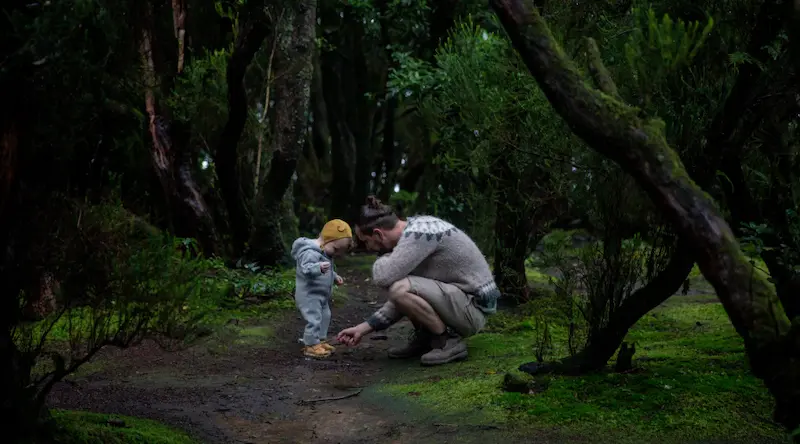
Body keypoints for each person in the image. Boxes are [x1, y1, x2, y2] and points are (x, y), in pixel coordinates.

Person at [337, 196, 500, 365]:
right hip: (460, 303)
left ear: (378, 234)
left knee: (399, 287)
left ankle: (447, 342)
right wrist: (362, 329)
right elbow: (403, 299)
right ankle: (426, 339)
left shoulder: (421, 232)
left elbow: (383, 277)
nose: (368, 248)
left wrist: (384, 255)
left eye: (366, 242)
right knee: (402, 288)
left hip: (472, 309)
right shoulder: (413, 236)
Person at [291, 219, 353, 359]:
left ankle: (320, 340)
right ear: (326, 239)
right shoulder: (309, 252)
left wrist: (335, 277)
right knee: (314, 319)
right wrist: (317, 268)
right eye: (336, 249)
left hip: (321, 295)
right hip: (309, 295)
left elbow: (328, 270)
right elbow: (305, 269)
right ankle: (311, 345)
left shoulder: (325, 251)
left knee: (325, 316)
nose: (335, 254)